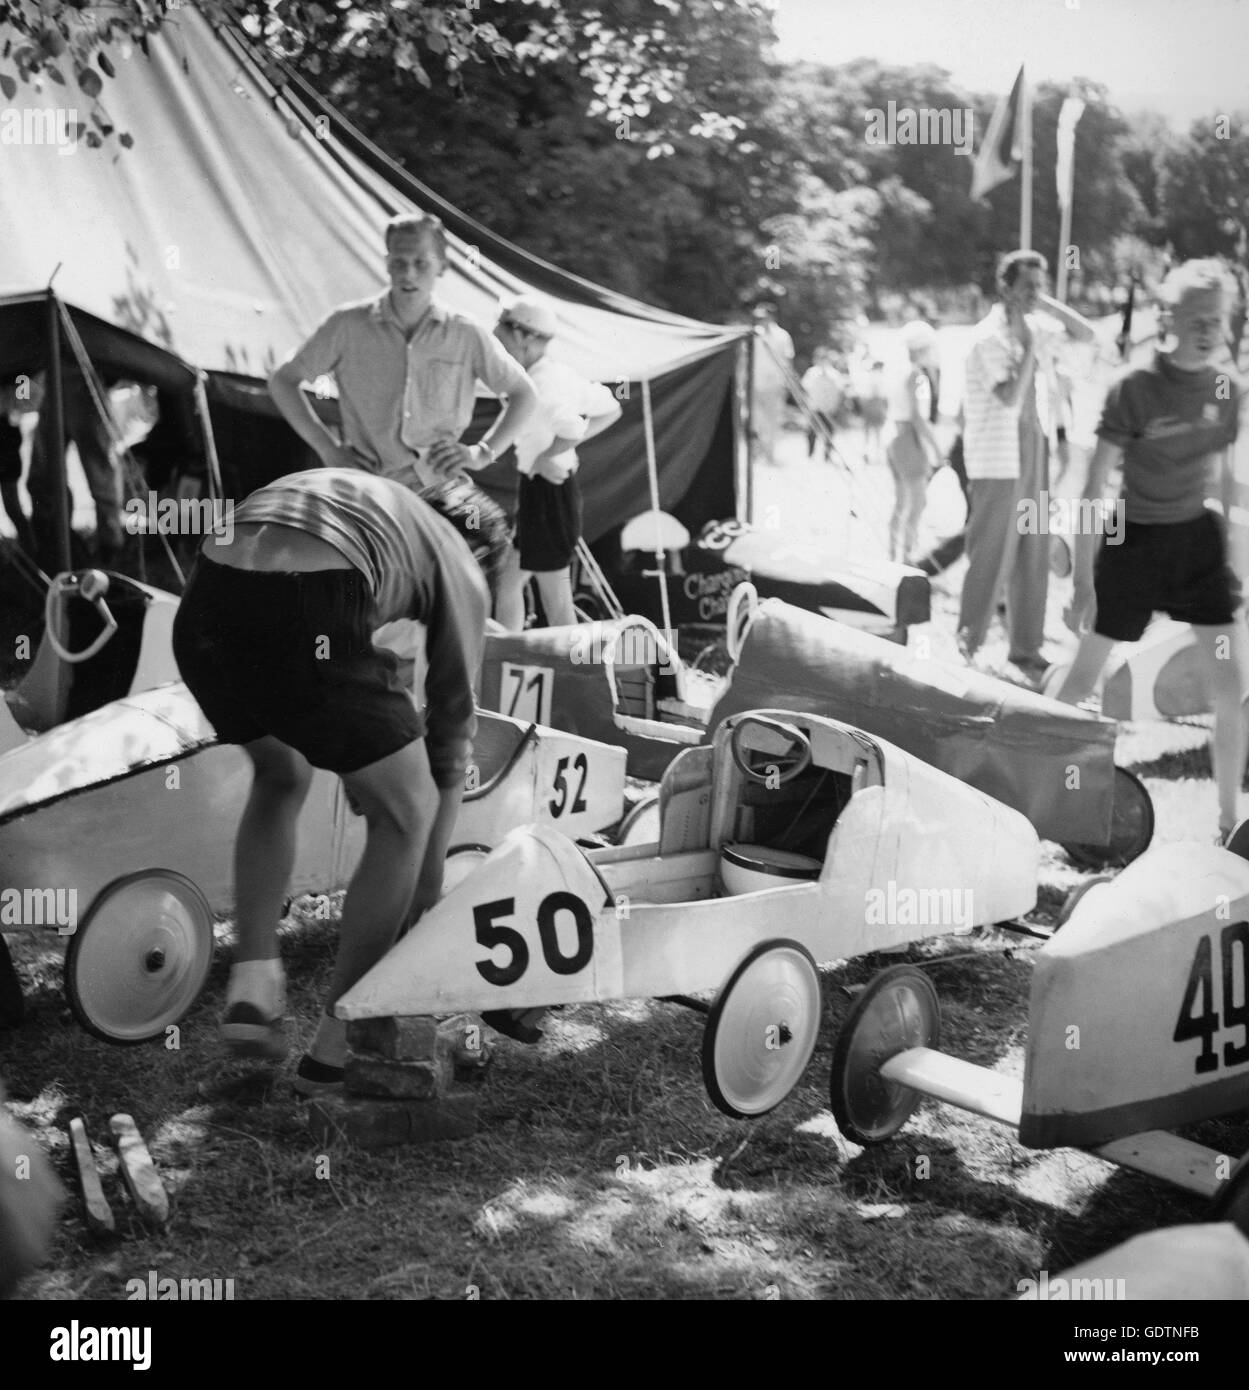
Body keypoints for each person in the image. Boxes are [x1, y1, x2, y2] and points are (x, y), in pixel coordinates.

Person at [171, 467, 492, 1095]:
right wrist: (423, 899)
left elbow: (354, 681)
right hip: (305, 605)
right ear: (482, 547)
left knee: (280, 774)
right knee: (408, 812)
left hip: (204, 603)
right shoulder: (462, 561)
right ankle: (341, 1043)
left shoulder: (376, 507)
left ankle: (255, 984)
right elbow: (451, 731)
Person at [1056, 259, 1249, 840]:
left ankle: (1226, 824)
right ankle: (1041, 794)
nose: (1207, 330)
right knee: (1079, 682)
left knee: (1229, 687)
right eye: (1195, 318)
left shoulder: (1227, 389)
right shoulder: (1134, 388)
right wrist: (1082, 582)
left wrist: (1238, 558)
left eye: (1216, 319)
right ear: (1170, 318)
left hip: (1197, 546)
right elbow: (1094, 489)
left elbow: (1225, 482)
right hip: (1133, 543)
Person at [267, 212, 540, 602]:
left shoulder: (466, 333)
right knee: (354, 604)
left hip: (441, 495)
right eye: (398, 261)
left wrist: (482, 452)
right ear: (386, 262)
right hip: (366, 491)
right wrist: (327, 447)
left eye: (421, 263)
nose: (408, 273)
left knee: (461, 596)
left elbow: (524, 394)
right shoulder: (347, 325)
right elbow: (283, 380)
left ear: (442, 266)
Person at [957, 250, 1095, 680]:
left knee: (1034, 552)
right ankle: (969, 643)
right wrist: (1032, 346)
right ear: (1005, 286)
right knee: (991, 554)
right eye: (1027, 285)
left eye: (1040, 283)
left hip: (1034, 453)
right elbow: (1010, 398)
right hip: (997, 460)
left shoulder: (1037, 324)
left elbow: (1087, 335)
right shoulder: (987, 338)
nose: (1034, 292)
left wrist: (1043, 304)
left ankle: (1026, 648)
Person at [492, 294, 621, 631]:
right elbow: (611, 407)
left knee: (557, 604)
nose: (494, 335)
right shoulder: (553, 374)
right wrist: (555, 453)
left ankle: (574, 677)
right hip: (541, 492)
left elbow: (574, 426)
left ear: (524, 336)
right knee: (509, 585)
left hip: (549, 494)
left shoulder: (543, 384)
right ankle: (506, 659)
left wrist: (549, 455)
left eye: (501, 328)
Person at [27, 363, 124, 567]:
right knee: (43, 473)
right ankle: (55, 542)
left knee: (99, 474)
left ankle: (110, 548)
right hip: (53, 377)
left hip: (83, 375)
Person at [885, 322, 944, 564]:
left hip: (894, 437)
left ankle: (893, 552)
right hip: (908, 439)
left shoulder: (900, 372)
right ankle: (906, 556)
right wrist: (936, 450)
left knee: (901, 501)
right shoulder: (917, 376)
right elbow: (918, 418)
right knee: (917, 502)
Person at [749, 303, 794, 467]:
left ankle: (770, 453)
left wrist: (785, 384)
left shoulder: (782, 336)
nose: (760, 320)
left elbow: (788, 362)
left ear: (771, 317)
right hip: (755, 383)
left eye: (764, 317)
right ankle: (760, 452)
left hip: (774, 384)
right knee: (757, 420)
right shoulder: (754, 335)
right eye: (758, 317)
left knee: (772, 420)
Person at [0, 385, 35, 555]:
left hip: (6, 462)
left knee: (12, 507)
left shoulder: (9, 402)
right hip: (8, 461)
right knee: (12, 507)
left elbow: (14, 437)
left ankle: (30, 548)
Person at [800, 347, 846, 462]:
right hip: (815, 408)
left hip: (829, 409)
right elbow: (805, 387)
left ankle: (827, 455)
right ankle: (810, 455)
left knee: (829, 433)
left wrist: (834, 405)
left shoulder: (834, 374)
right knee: (811, 432)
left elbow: (839, 391)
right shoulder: (811, 372)